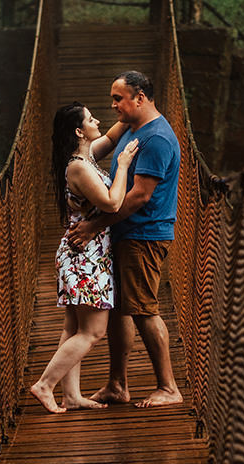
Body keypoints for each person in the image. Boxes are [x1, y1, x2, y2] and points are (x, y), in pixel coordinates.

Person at [67, 70, 183, 408]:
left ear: (141, 98)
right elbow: (103, 143)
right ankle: (117, 384)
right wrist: (117, 119)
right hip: (127, 232)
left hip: (144, 234)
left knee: (144, 309)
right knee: (119, 309)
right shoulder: (137, 126)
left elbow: (138, 197)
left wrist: (94, 226)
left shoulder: (156, 138)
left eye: (119, 99)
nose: (113, 105)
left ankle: (169, 387)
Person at [29, 102, 139, 413]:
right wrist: (125, 163)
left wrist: (132, 106)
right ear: (79, 131)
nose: (98, 120)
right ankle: (44, 385)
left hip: (84, 255)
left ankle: (71, 395)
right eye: (91, 119)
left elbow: (114, 136)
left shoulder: (85, 156)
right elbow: (112, 203)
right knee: (93, 332)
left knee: (73, 328)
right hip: (85, 259)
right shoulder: (78, 166)